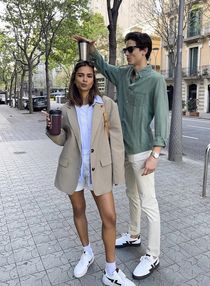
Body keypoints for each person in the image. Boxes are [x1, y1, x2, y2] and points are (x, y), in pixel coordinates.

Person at [74, 32, 169, 280]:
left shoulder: (156, 80)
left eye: (130, 49)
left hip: (143, 151)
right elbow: (103, 66)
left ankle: (153, 254)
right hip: (124, 150)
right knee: (131, 196)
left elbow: (161, 116)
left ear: (144, 51)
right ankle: (134, 234)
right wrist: (91, 49)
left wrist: (155, 154)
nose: (126, 53)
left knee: (149, 203)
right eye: (125, 49)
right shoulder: (124, 75)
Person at [45, 60, 136, 286]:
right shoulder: (66, 109)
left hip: (100, 168)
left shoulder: (106, 104)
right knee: (78, 210)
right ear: (74, 79)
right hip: (73, 167)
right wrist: (51, 130)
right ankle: (87, 252)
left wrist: (117, 173)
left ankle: (111, 271)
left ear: (94, 80)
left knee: (110, 217)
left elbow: (116, 140)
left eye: (89, 75)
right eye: (81, 75)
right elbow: (62, 140)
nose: (85, 79)